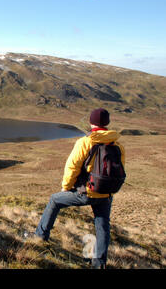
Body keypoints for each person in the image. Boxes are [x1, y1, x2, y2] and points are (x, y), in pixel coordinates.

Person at [34, 108, 125, 269]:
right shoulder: (117, 144)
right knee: (102, 224)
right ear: (107, 123)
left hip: (86, 192)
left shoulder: (85, 142)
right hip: (106, 194)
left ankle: (40, 237)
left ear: (91, 122)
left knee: (54, 200)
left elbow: (72, 167)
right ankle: (99, 263)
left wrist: (66, 187)